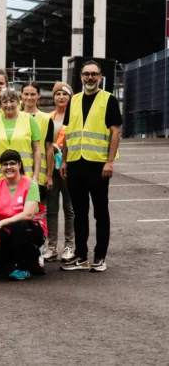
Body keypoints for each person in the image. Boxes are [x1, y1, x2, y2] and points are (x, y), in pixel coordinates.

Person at [60, 61, 122, 272]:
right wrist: (65, 160)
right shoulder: (74, 100)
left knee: (100, 212)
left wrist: (110, 161)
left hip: (98, 165)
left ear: (100, 76)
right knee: (80, 212)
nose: (90, 78)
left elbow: (115, 132)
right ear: (80, 76)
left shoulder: (109, 100)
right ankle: (81, 256)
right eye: (86, 74)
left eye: (94, 74)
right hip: (76, 163)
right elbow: (69, 132)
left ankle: (100, 257)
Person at [0, 149, 47, 281]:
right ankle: (9, 265)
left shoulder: (30, 184)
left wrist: (1, 223)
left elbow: (28, 214)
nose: (8, 167)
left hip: (29, 230)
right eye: (5, 164)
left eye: (12, 163)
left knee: (19, 226)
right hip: (5, 230)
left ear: (19, 165)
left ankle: (24, 266)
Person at [0, 88, 42, 192]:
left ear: (18, 102)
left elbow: (37, 150)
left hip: (24, 178)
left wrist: (36, 176)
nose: (8, 105)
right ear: (0, 104)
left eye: (12, 101)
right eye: (4, 101)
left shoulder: (29, 120)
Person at [44, 82, 75, 262]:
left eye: (65, 94)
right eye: (58, 94)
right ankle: (52, 246)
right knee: (52, 209)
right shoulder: (49, 117)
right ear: (53, 97)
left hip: (69, 167)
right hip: (52, 169)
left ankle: (69, 246)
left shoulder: (75, 117)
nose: (61, 97)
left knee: (70, 209)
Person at [19, 81, 55, 192]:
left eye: (33, 94)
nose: (29, 97)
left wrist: (49, 175)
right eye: (26, 94)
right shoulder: (14, 117)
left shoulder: (46, 119)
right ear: (21, 95)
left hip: (39, 174)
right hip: (18, 172)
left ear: (38, 95)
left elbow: (49, 148)